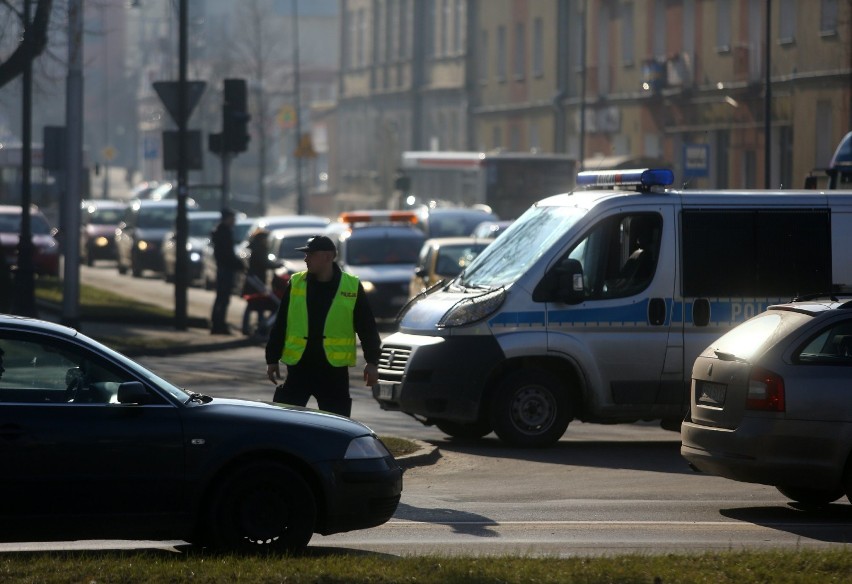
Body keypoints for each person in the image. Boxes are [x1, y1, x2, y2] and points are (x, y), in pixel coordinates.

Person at [265, 235, 381, 417]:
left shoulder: (350, 286)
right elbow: (281, 323)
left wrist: (372, 361)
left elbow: (366, 326)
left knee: (337, 427)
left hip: (333, 372)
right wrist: (272, 358)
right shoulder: (297, 283)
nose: (305, 259)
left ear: (327, 256)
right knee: (282, 423)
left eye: (310, 254)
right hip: (299, 368)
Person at [210, 208, 244, 335]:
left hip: (225, 268)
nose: (234, 221)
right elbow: (226, 254)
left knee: (222, 298)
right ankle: (218, 324)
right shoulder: (223, 232)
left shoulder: (224, 231)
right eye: (232, 218)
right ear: (227, 219)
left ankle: (218, 323)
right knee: (223, 298)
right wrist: (237, 264)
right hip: (225, 269)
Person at [241, 229, 281, 336]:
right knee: (254, 303)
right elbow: (264, 263)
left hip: (255, 279)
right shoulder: (259, 249)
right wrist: (277, 265)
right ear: (261, 239)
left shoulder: (256, 248)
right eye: (265, 238)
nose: (267, 241)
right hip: (256, 280)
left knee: (257, 303)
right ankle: (258, 327)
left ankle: (258, 326)